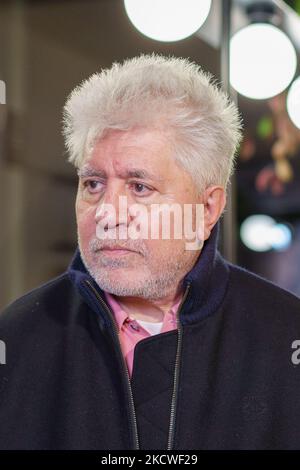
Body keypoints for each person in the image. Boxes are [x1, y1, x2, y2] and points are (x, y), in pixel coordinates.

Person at [1, 53, 300, 451]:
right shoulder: (17, 336)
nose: (108, 213)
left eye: (139, 187)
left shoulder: (285, 337)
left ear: (207, 209)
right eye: (93, 184)